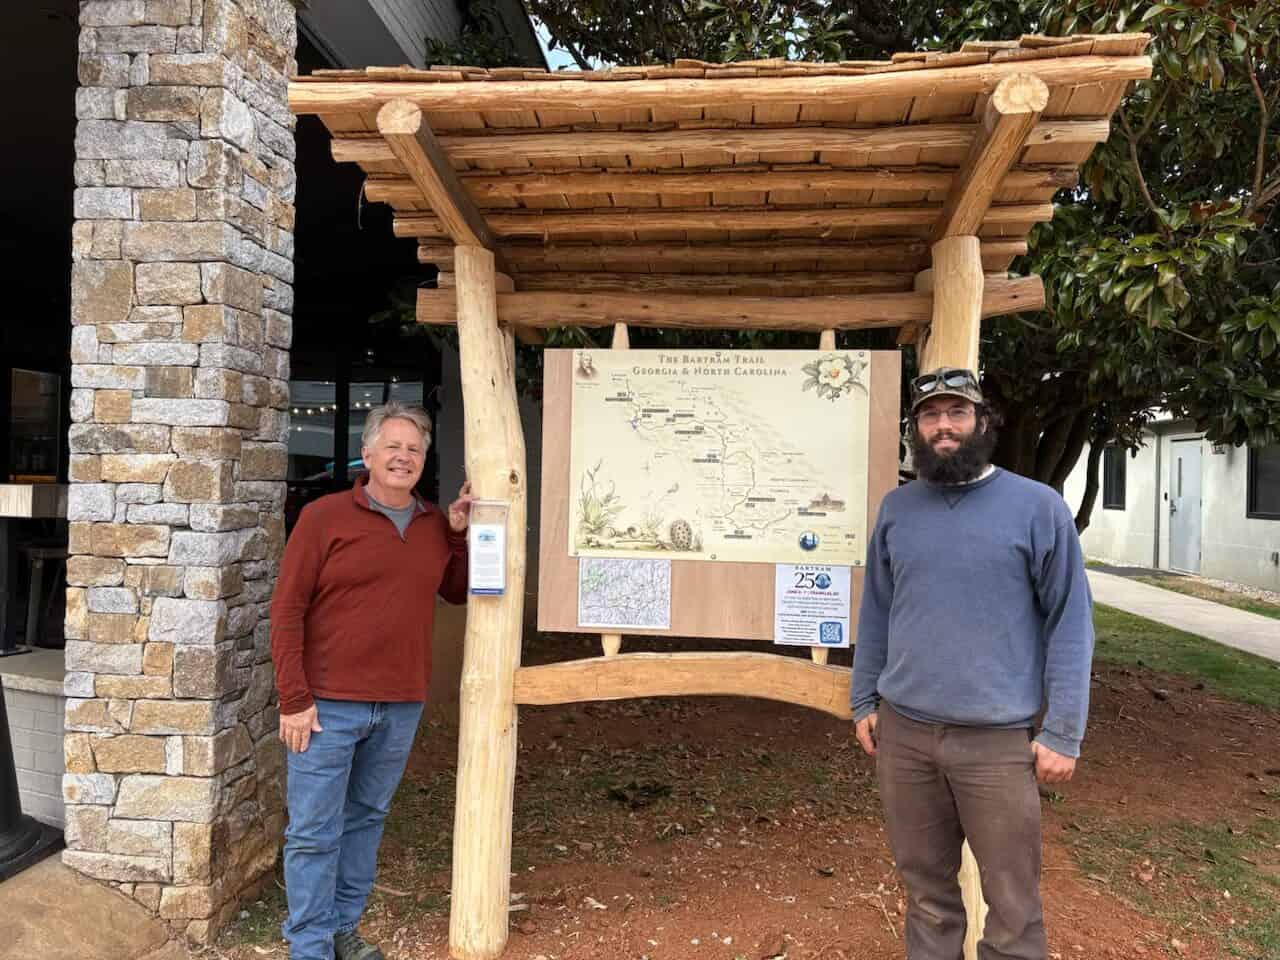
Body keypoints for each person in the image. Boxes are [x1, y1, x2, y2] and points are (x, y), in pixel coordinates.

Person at [851, 367, 1094, 960]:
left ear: (983, 421)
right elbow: (878, 610)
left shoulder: (1038, 509)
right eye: (930, 416)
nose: (943, 427)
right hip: (905, 737)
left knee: (1012, 905)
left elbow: (1071, 622)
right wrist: (863, 700)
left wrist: (1064, 729)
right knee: (928, 895)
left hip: (996, 744)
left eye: (957, 413)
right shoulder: (898, 509)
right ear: (916, 429)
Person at [270, 401, 473, 960]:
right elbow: (287, 610)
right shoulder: (324, 518)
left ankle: (342, 930)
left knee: (364, 822)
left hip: (400, 703)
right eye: (393, 446)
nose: (403, 457)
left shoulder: (433, 523)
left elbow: (455, 590)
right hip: (325, 707)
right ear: (368, 453)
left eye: (414, 449)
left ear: (424, 460)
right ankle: (309, 946)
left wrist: (457, 534)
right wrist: (294, 698)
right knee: (313, 832)